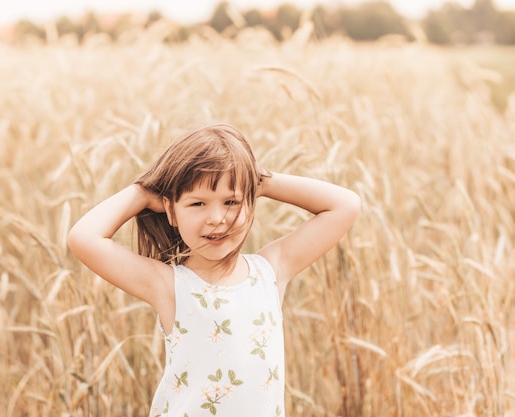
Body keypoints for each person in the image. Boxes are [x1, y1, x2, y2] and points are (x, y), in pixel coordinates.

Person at [67, 123, 361, 416]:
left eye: (231, 201)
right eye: (197, 203)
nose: (216, 218)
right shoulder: (170, 285)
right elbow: (84, 237)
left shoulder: (270, 271)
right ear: (170, 211)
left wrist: (261, 181)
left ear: (250, 200)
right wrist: (142, 193)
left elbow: (345, 205)